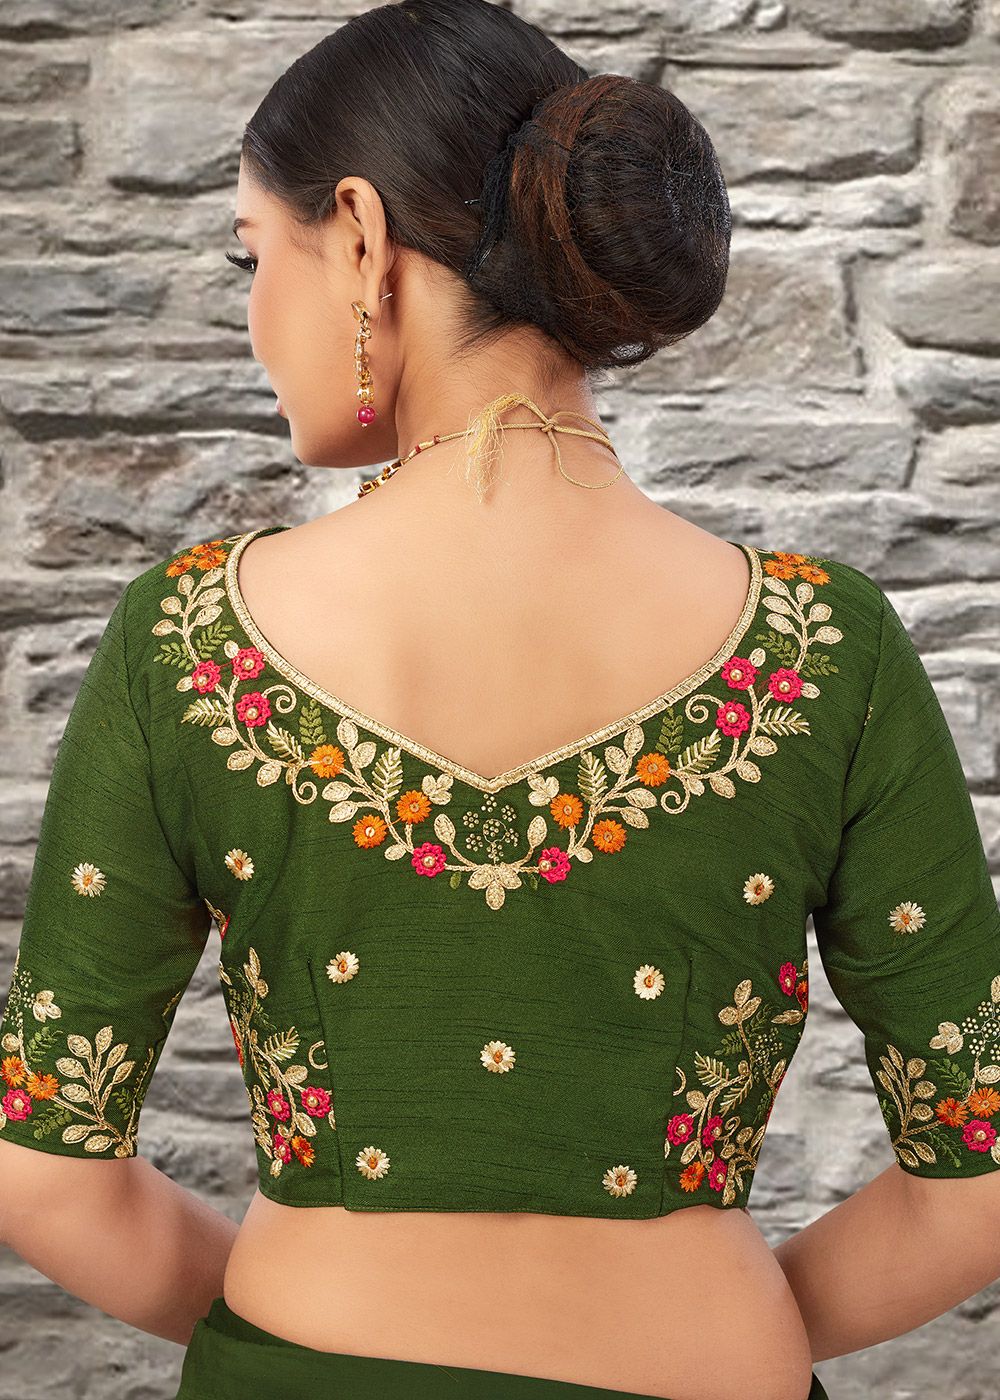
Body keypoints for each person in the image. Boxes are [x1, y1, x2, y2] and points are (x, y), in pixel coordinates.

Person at [2, 2, 998, 1398]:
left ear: (359, 237)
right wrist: (714, 1318)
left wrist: (302, 1333)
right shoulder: (826, 650)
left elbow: (50, 1177)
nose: (252, 319)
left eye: (253, 255)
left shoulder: (187, 641)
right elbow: (976, 1179)